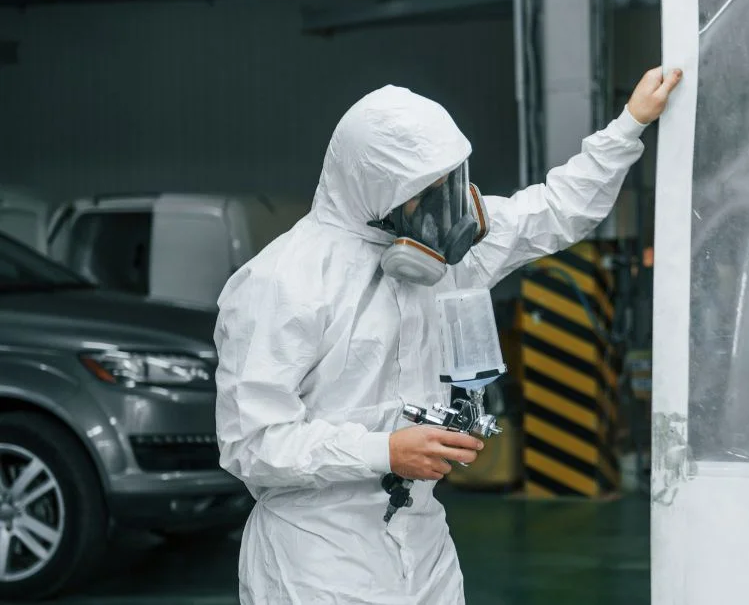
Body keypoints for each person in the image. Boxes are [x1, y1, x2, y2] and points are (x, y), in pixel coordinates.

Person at [213, 66, 683, 604]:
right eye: (427, 190)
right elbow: (251, 443)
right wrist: (383, 451)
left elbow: (555, 210)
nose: (447, 207)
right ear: (375, 187)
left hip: (423, 535)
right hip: (319, 556)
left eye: (449, 184)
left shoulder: (442, 252)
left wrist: (629, 125)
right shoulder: (281, 281)